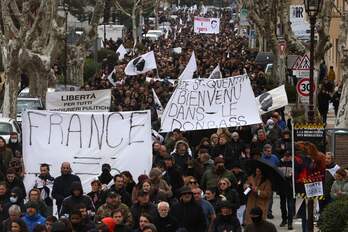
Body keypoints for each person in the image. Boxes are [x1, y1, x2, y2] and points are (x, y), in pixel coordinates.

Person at [278, 151, 294, 230]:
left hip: (290, 187)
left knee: (290, 205)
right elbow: (277, 174)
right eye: (286, 156)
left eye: (288, 156)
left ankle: (290, 222)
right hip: (282, 187)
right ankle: (284, 220)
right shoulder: (279, 163)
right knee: (283, 205)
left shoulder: (293, 164)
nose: (287, 158)